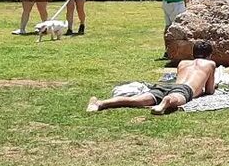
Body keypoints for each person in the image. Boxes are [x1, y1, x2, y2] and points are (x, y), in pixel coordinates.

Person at [87, 41, 216, 116]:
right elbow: (209, 90)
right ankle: (166, 102)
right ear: (210, 55)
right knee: (177, 99)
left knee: (134, 100)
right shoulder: (210, 64)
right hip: (184, 89)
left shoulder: (183, 62)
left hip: (167, 85)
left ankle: (100, 103)